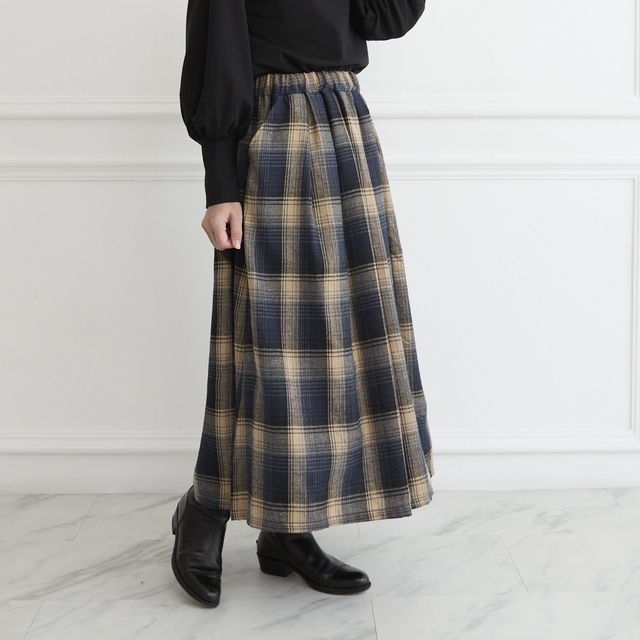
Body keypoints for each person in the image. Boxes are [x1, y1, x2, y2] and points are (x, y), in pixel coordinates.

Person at [171, 0, 435, 607]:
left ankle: (287, 528)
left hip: (345, 121)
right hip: (272, 128)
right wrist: (220, 185)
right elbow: (215, 54)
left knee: (340, 342)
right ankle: (206, 507)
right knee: (266, 339)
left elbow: (388, 18)